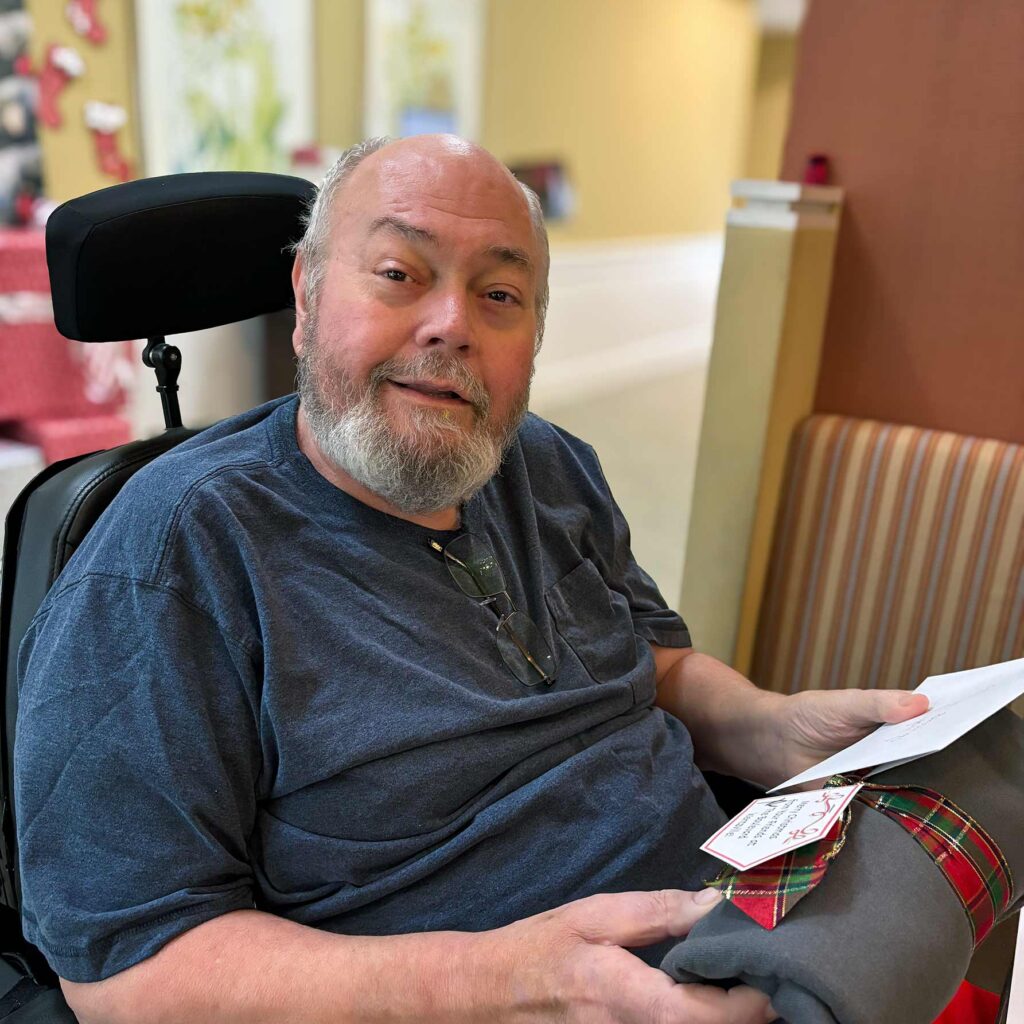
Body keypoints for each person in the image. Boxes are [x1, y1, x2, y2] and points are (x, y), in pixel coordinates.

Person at [15, 135, 928, 1024]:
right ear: (306, 294)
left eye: (499, 293)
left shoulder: (549, 464)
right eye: (399, 274)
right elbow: (126, 966)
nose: (453, 323)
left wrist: (774, 726)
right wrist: (515, 983)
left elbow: (648, 662)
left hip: (741, 929)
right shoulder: (172, 558)